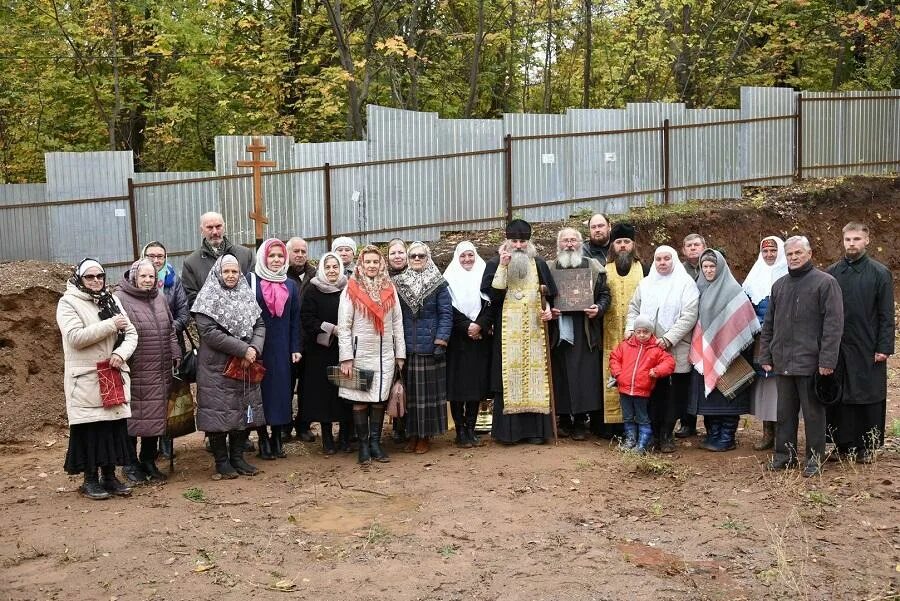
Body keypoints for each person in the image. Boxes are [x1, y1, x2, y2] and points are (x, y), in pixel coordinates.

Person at [758, 236, 844, 477]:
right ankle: (784, 456)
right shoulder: (779, 285)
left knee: (813, 414)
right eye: (790, 254)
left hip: (811, 362)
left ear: (809, 254)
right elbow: (769, 324)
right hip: (783, 361)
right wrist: (766, 354)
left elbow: (834, 325)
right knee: (784, 413)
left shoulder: (825, 283)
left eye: (798, 253)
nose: (794, 257)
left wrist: (827, 361)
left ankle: (814, 458)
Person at [57, 259, 138, 500]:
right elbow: (75, 337)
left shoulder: (111, 300)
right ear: (79, 279)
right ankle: (90, 480)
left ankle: (110, 478)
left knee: (113, 428)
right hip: (87, 378)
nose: (95, 281)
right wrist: (111, 324)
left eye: (99, 276)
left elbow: (131, 333)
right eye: (89, 277)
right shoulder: (68, 303)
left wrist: (120, 353)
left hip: (112, 373)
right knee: (91, 429)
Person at [481, 219, 557, 445]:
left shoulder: (539, 263)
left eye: (523, 241)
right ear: (507, 241)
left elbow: (551, 293)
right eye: (514, 240)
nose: (519, 245)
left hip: (534, 330)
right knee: (508, 379)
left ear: (529, 242)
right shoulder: (495, 263)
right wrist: (503, 267)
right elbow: (491, 296)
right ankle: (509, 433)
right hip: (507, 332)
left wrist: (549, 310)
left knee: (535, 378)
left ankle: (536, 432)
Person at [192, 254, 266, 479]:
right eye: (227, 271)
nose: (231, 275)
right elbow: (209, 332)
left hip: (245, 365)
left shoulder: (245, 295)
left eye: (235, 271)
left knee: (241, 413)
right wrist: (243, 349)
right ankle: (222, 462)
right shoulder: (207, 297)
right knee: (218, 415)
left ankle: (238, 458)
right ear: (218, 272)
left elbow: (260, 324)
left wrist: (254, 349)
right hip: (217, 367)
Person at [826, 223, 894, 463]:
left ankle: (867, 446)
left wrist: (884, 347)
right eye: (847, 239)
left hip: (868, 346)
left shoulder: (880, 273)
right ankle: (842, 445)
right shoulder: (832, 273)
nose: (851, 243)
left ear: (867, 240)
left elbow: (887, 314)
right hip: (839, 346)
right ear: (842, 241)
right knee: (841, 395)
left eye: (856, 239)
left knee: (868, 395)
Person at [626, 245, 699, 453]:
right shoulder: (646, 283)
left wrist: (668, 339)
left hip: (675, 347)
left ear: (674, 260)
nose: (662, 263)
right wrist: (631, 330)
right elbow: (634, 309)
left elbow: (689, 315)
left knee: (674, 394)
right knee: (652, 393)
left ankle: (667, 434)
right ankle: (652, 434)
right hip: (648, 349)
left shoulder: (685, 284)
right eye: (658, 259)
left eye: (667, 258)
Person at [114, 259, 181, 484]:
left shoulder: (159, 298)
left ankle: (148, 461)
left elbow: (170, 329)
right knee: (133, 419)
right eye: (143, 276)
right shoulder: (121, 299)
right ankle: (130, 463)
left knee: (155, 417)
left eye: (151, 276)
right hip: (135, 370)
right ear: (134, 277)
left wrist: (175, 351)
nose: (147, 280)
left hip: (160, 370)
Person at [338, 245, 406, 464]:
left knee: (378, 400)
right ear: (361, 263)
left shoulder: (389, 288)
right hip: (360, 354)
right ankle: (364, 446)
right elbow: (344, 326)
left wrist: (400, 354)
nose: (372, 266)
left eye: (375, 262)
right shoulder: (351, 288)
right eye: (368, 262)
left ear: (381, 264)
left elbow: (397, 322)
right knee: (360, 400)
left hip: (385, 353)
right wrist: (346, 357)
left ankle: (376, 444)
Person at [687, 250, 760, 451]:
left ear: (721, 267)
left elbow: (745, 321)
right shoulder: (697, 288)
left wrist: (728, 345)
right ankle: (713, 434)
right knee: (709, 400)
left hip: (730, 355)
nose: (709, 270)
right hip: (704, 353)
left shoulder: (733, 290)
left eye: (713, 266)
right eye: (705, 267)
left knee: (727, 398)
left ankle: (727, 437)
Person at [548, 228, 611, 440]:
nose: (569, 244)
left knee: (584, 376)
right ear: (559, 244)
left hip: (585, 330)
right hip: (559, 332)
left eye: (573, 240)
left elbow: (605, 294)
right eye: (564, 240)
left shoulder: (593, 266)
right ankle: (564, 420)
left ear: (580, 243)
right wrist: (550, 310)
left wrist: (598, 308)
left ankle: (581, 423)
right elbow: (543, 298)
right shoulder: (549, 268)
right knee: (562, 376)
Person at [394, 242, 452, 454]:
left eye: (421, 256)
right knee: (409, 396)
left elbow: (446, 314)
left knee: (426, 397)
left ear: (428, 258)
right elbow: (395, 316)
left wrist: (441, 341)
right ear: (408, 259)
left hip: (430, 347)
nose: (417, 259)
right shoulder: (398, 283)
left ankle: (425, 437)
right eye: (413, 256)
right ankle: (411, 434)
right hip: (407, 348)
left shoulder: (439, 284)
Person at [250, 238, 301, 460]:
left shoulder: (290, 284)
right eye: (272, 256)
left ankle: (277, 437)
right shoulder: (251, 281)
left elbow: (295, 319)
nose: (276, 260)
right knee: (260, 393)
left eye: (280, 256)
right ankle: (262, 438)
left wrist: (295, 347)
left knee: (281, 393)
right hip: (259, 347)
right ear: (263, 257)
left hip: (281, 347)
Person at [141, 241, 190, 460]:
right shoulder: (137, 278)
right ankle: (148, 442)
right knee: (150, 395)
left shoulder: (173, 281)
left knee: (170, 393)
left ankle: (167, 440)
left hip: (171, 344)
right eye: (151, 255)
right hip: (146, 348)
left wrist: (169, 328)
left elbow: (184, 312)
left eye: (160, 256)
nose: (156, 260)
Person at [597, 222, 645, 439]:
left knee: (637, 378)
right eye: (618, 242)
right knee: (612, 375)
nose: (623, 246)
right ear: (612, 245)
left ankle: (636, 425)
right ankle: (613, 428)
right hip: (610, 334)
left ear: (633, 244)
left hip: (638, 336)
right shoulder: (603, 270)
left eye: (627, 242)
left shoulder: (644, 268)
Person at [300, 253, 351, 455]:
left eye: (335, 267)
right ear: (322, 268)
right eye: (328, 267)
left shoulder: (348, 289)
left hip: (345, 351)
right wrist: (331, 329)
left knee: (346, 393)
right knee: (324, 396)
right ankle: (327, 438)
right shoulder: (313, 290)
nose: (332, 270)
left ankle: (346, 437)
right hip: (321, 351)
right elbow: (307, 318)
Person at [443, 241, 493, 449]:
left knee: (476, 385)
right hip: (458, 340)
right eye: (463, 256)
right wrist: (467, 327)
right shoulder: (448, 279)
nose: (467, 260)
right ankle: (460, 430)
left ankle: (471, 428)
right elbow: (447, 309)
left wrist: (480, 325)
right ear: (457, 257)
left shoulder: (484, 276)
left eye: (470, 255)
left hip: (480, 341)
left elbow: (491, 304)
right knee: (458, 388)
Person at [742, 236, 788, 450]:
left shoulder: (789, 275)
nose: (769, 255)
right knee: (765, 386)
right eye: (765, 251)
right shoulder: (753, 278)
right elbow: (745, 308)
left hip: (784, 340)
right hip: (761, 341)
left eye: (773, 251)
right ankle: (767, 431)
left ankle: (784, 432)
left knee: (783, 386)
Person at [609, 315, 675, 454]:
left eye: (646, 332)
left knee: (642, 417)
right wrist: (618, 374)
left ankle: (643, 443)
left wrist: (657, 371)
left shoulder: (655, 349)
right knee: (627, 416)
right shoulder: (625, 346)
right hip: (624, 389)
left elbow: (669, 362)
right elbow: (614, 358)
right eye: (639, 331)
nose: (642, 335)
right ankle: (630, 439)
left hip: (642, 391)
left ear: (651, 333)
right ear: (634, 331)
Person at [182, 211, 256, 305]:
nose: (215, 232)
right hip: (210, 318)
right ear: (201, 230)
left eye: (218, 226)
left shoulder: (245, 255)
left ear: (224, 227)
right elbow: (191, 297)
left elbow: (253, 287)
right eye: (209, 227)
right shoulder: (191, 263)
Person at [675, 233, 707, 439]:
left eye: (697, 244)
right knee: (686, 379)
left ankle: (713, 422)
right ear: (683, 250)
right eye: (689, 245)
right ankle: (687, 422)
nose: (693, 248)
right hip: (686, 331)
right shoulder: (678, 271)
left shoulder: (713, 266)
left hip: (708, 330)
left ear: (704, 247)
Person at [285, 236, 317, 442]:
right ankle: (284, 426)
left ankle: (304, 425)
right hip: (287, 342)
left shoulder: (315, 275)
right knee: (286, 386)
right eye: (295, 251)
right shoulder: (280, 275)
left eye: (303, 251)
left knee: (307, 387)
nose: (299, 255)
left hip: (310, 342)